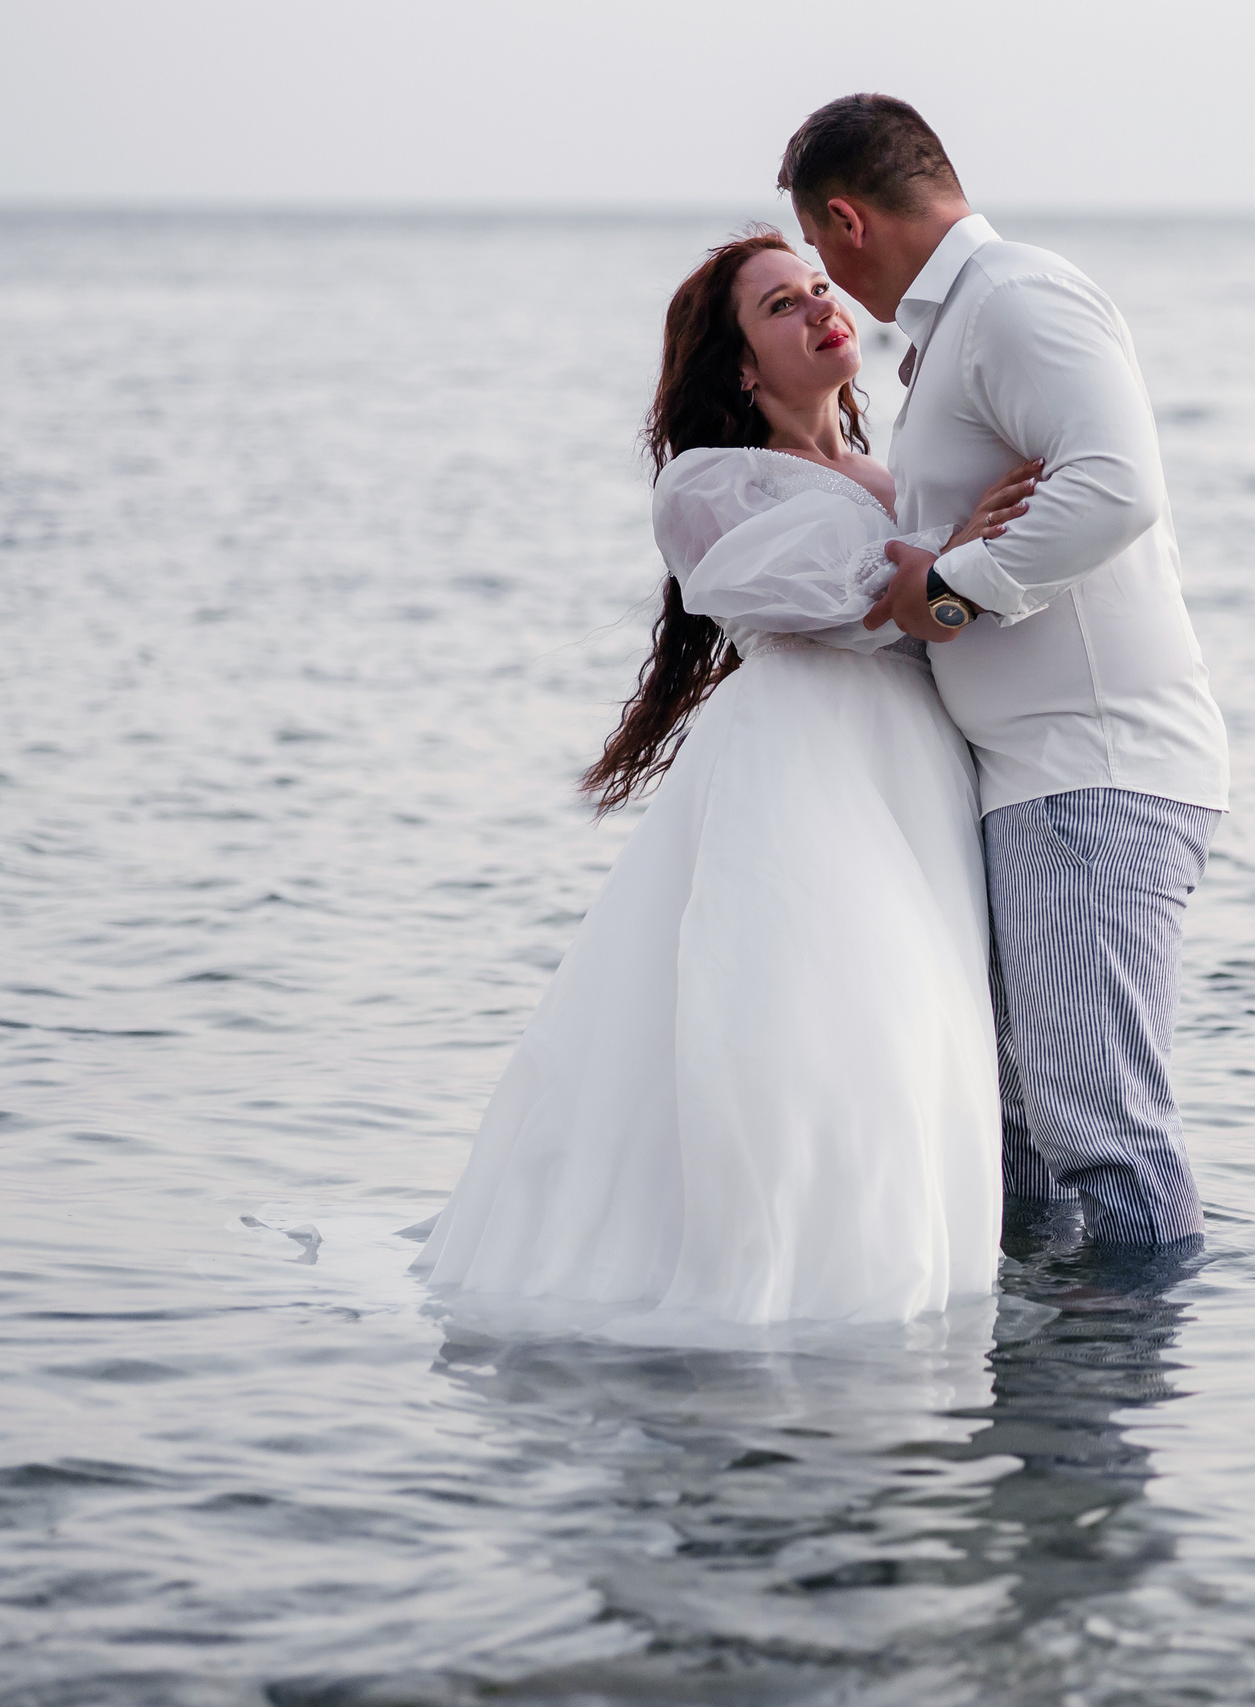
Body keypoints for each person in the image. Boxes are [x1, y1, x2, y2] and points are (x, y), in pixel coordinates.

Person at [414, 229, 1038, 1330]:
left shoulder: (892, 474)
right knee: (815, 1015)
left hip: (913, 774)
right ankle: (791, 1280)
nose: (818, 309)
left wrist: (953, 560)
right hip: (802, 764)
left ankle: (914, 1270)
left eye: (817, 289)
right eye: (781, 308)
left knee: (916, 1022)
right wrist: (946, 563)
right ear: (742, 368)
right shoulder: (708, 485)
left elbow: (925, 596)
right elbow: (820, 589)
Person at [778, 95, 1232, 1246]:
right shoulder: (962, 328)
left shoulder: (1016, 298)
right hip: (1033, 780)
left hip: (1093, 769)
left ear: (843, 220)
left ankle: (1111, 1400)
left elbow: (1115, 487)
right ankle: (1042, 1384)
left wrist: (943, 589)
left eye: (819, 252)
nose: (832, 284)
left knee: (1099, 1132)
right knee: (1019, 1132)